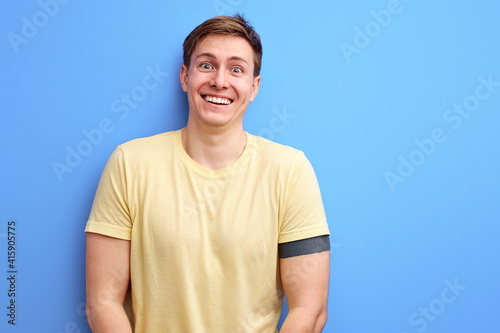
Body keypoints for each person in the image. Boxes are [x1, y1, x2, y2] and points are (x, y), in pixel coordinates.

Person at [85, 13, 330, 333]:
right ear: (185, 76)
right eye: (206, 65)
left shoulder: (291, 170)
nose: (220, 80)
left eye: (237, 69)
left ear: (254, 87)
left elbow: (310, 309)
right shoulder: (129, 163)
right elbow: (102, 301)